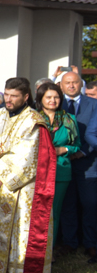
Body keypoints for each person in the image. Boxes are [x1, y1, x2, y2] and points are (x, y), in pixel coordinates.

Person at [0, 77, 56, 273]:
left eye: (14, 96)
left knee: (20, 232)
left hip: (22, 188)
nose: (9, 99)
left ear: (26, 97)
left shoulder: (34, 120)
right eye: (6, 94)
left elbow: (28, 155)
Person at [57, 71, 97, 260]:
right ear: (61, 85)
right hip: (63, 163)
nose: (71, 86)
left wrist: (82, 152)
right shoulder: (56, 104)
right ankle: (69, 242)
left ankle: (90, 243)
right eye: (68, 83)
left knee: (90, 203)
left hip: (88, 163)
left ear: (81, 85)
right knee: (67, 204)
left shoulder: (94, 104)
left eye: (75, 82)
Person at [38, 82, 80, 251]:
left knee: (53, 213)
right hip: (37, 170)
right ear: (40, 99)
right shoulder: (33, 118)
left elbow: (77, 145)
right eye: (49, 97)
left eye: (56, 97)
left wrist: (65, 149)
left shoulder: (70, 119)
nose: (53, 100)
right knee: (37, 212)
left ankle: (49, 251)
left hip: (60, 170)